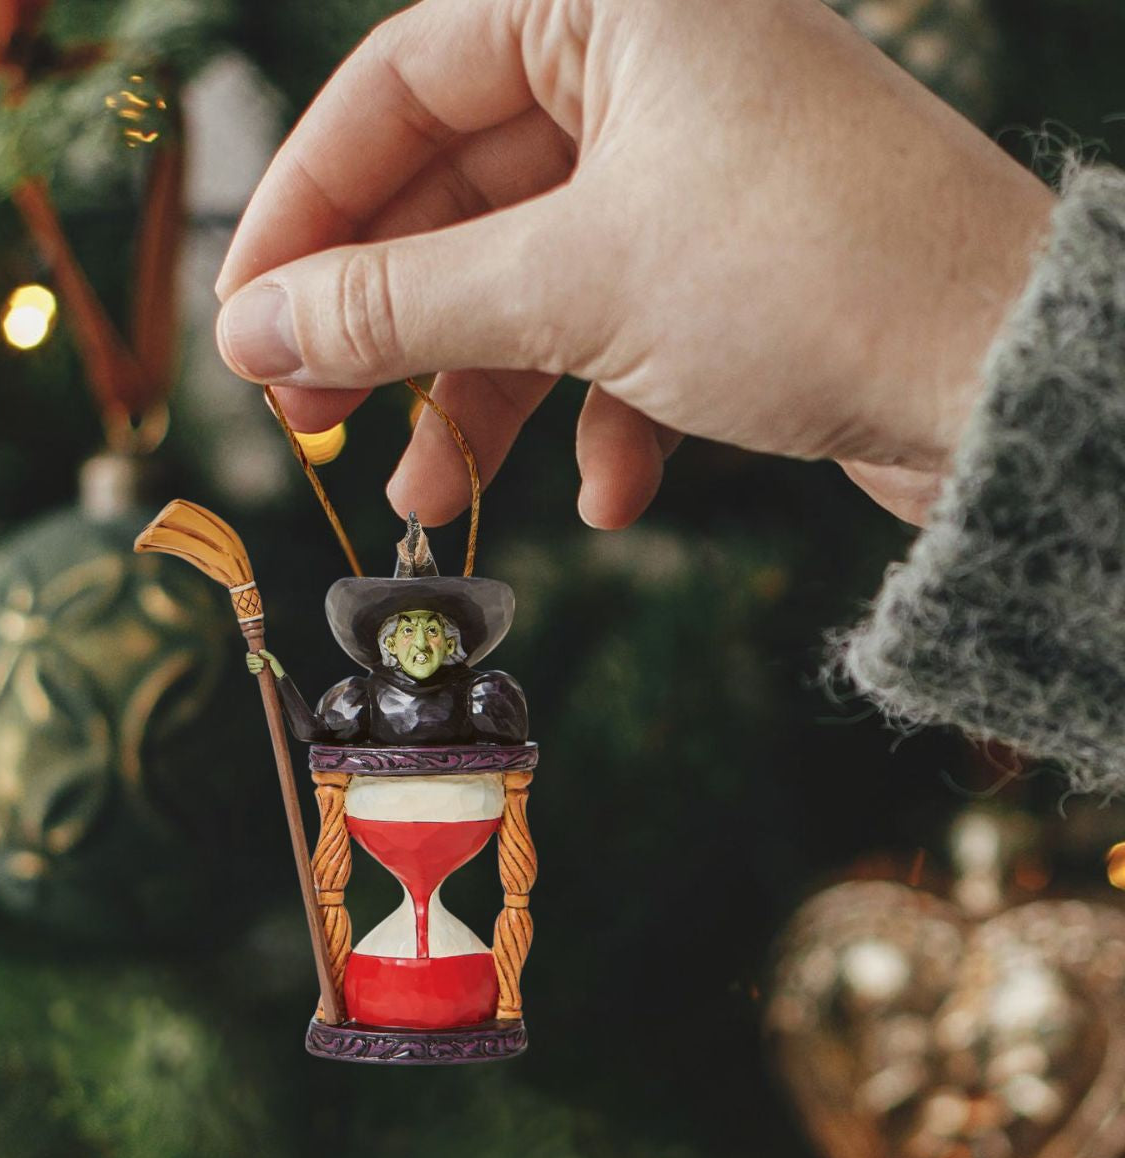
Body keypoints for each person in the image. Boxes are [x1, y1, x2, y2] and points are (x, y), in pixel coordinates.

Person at [215, 0, 1125, 793]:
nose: (414, 652)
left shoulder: (480, 697)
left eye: (422, 639)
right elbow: (319, 732)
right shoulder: (357, 697)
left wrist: (988, 333)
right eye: (408, 641)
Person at [246, 515, 529, 746]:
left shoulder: (480, 693)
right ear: (389, 644)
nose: (421, 644)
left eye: (431, 630)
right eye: (407, 632)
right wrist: (277, 676)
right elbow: (313, 731)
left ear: (450, 644)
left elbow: (514, 748)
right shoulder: (363, 696)